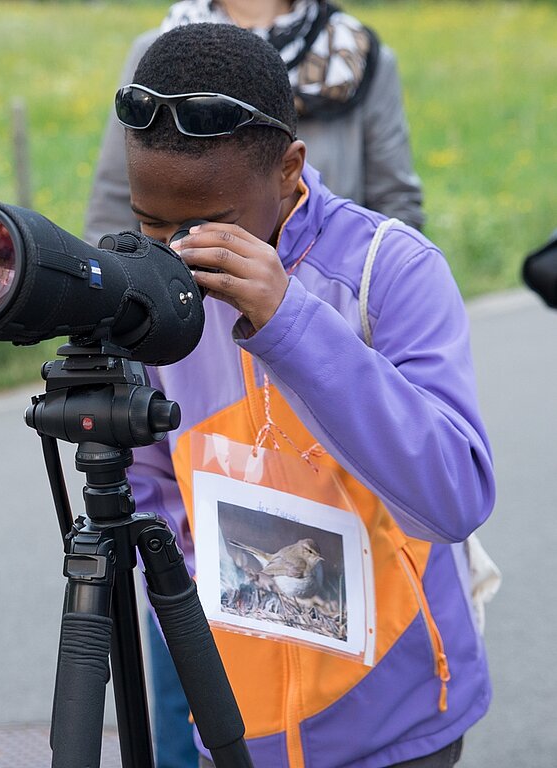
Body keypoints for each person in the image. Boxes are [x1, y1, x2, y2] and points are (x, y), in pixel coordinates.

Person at [115, 22, 495, 768]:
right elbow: (147, 487)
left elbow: (455, 496)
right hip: (239, 726)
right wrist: (215, 605)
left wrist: (291, 321)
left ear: (290, 169)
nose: (179, 251)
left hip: (398, 720)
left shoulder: (392, 271)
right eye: (152, 224)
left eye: (210, 226)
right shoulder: (153, 291)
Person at [83, 0, 424, 249]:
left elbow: (395, 199)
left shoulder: (353, 58)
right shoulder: (160, 52)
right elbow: (115, 198)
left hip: (328, 294)